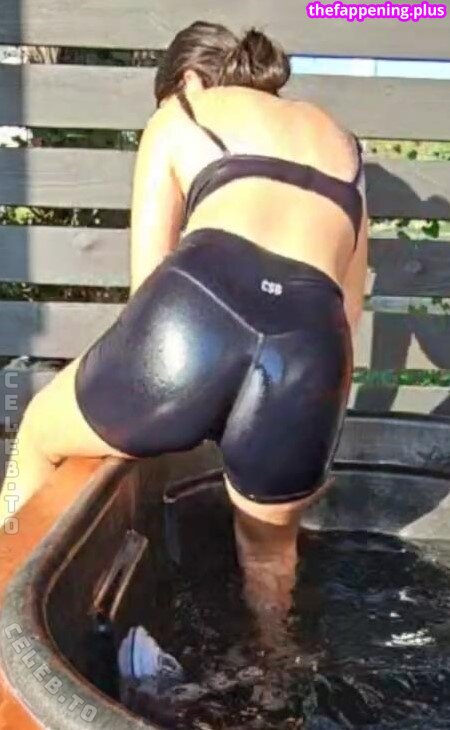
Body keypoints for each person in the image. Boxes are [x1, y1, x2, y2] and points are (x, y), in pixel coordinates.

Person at [0, 21, 368, 627]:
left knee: (40, 429)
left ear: (189, 78)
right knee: (270, 560)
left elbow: (147, 289)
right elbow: (346, 314)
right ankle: (274, 670)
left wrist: (175, 389)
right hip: (310, 348)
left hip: (196, 311)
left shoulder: (183, 112)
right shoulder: (344, 146)